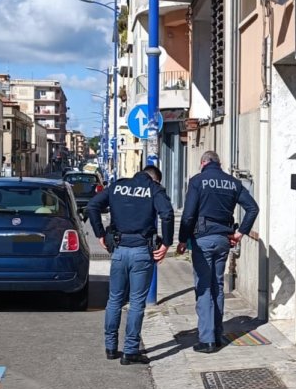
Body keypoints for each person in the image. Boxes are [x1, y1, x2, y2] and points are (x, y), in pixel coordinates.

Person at [86, 165, 174, 365]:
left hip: (118, 250)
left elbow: (92, 206)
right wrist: (167, 243)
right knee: (136, 302)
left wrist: (100, 234)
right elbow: (167, 214)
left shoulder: (117, 186)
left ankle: (110, 347)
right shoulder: (154, 189)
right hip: (142, 252)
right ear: (155, 180)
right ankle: (130, 351)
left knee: (114, 299)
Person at [176, 151, 259, 353]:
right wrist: (240, 233)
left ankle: (207, 340)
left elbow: (188, 215)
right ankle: (218, 334)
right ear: (218, 163)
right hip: (224, 240)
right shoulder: (232, 182)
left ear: (203, 162)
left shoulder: (197, 181)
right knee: (218, 286)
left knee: (204, 288)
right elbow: (253, 208)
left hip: (202, 240)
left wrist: (182, 239)